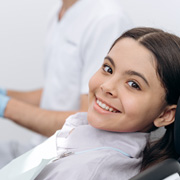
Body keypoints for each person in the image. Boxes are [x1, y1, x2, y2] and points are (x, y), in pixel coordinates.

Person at [0, 27, 180, 180]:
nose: (106, 86)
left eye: (133, 84)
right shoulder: (85, 135)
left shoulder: (86, 170)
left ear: (165, 115)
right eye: (108, 68)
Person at [0, 0, 132, 167]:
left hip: (64, 159)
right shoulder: (58, 13)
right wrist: (6, 94)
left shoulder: (107, 20)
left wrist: (7, 107)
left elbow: (89, 121)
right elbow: (58, 89)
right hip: (38, 147)